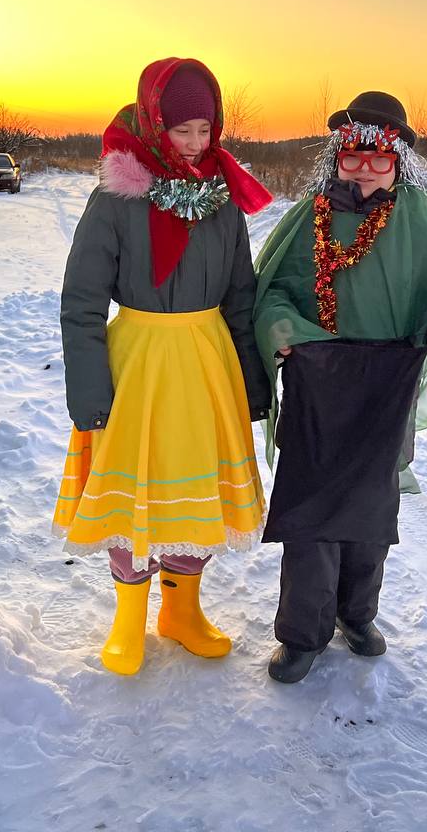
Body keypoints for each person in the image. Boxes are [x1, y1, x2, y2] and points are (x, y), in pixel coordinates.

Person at [253, 91, 427, 683]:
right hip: (318, 379)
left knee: (369, 512)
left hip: (386, 384)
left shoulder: (418, 220)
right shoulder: (309, 216)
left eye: (379, 158)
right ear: (337, 157)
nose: (364, 167)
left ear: (398, 161)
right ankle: (302, 633)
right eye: (352, 155)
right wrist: (285, 333)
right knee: (310, 512)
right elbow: (273, 290)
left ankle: (356, 616)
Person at [53, 58, 272, 676]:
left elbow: (242, 296)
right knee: (136, 499)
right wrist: (90, 388)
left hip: (207, 366)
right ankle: (128, 621)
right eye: (183, 131)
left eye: (206, 130)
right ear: (154, 124)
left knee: (195, 503)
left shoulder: (223, 200)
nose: (197, 144)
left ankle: (181, 612)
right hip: (140, 366)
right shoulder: (114, 199)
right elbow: (82, 301)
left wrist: (252, 382)